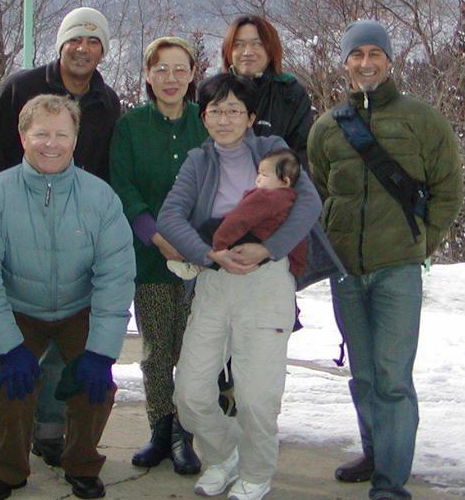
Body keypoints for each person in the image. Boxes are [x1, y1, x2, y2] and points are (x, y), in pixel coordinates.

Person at [307, 20, 462, 500]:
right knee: (365, 374)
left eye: (376, 53)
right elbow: (318, 190)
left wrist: (422, 241)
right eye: (357, 55)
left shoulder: (422, 119)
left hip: (397, 269)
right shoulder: (328, 127)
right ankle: (376, 454)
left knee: (393, 378)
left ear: (390, 60)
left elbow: (448, 189)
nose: (366, 62)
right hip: (346, 271)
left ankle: (391, 483)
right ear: (346, 63)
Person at [0, 95, 136, 500]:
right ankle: (8, 469)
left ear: (76, 138)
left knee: (95, 385)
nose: (51, 143)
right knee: (11, 385)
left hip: (79, 307)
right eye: (41, 134)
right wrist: (8, 347)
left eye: (62, 134)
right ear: (23, 137)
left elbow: (116, 275)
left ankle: (82, 464)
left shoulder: (101, 199)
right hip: (19, 306)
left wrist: (101, 352)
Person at [0, 6, 122, 469]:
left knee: (62, 350)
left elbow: (103, 168)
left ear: (103, 51)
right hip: (16, 226)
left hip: (75, 228)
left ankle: (49, 432)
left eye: (94, 42)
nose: (83, 48)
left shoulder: (106, 101)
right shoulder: (20, 87)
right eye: (75, 40)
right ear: (60, 45)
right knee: (5, 347)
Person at [158, 73, 322, 500]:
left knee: (256, 396)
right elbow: (170, 216)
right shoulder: (198, 161)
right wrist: (206, 254)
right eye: (215, 110)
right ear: (204, 116)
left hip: (266, 282)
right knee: (190, 393)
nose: (224, 118)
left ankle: (256, 471)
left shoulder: (272, 152)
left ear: (251, 117)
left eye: (234, 110)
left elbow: (310, 203)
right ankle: (221, 455)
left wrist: (269, 250)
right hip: (215, 281)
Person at [108, 36, 207, 475]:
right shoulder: (130, 127)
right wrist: (155, 235)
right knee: (155, 351)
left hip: (201, 261)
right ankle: (159, 429)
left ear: (192, 74)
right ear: (147, 75)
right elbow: (123, 186)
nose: (171, 78)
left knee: (191, 351)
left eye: (179, 69)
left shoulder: (205, 126)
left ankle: (186, 435)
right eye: (160, 69)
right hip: (150, 258)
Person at [221, 15, 313, 168]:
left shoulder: (290, 93)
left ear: (271, 50)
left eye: (257, 44)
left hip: (276, 187)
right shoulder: (214, 93)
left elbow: (302, 155)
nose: (247, 52)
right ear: (228, 51)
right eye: (238, 45)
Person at [209, 148, 307, 281]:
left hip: (249, 236)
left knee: (208, 228)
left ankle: (196, 263)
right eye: (258, 173)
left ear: (285, 181)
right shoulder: (290, 200)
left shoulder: (265, 196)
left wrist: (219, 244)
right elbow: (299, 238)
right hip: (265, 248)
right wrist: (298, 265)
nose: (258, 179)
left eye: (264, 175)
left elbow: (239, 218)